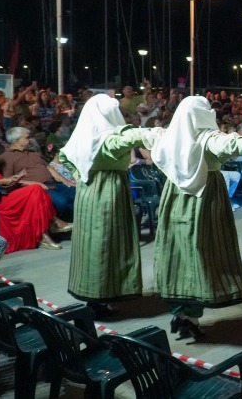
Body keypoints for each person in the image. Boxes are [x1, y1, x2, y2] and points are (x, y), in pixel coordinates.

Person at [151, 97, 242, 339]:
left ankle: (181, 313)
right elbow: (236, 144)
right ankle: (190, 317)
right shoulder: (209, 139)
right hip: (205, 197)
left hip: (174, 199)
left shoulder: (167, 138)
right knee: (202, 252)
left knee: (178, 253)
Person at [60, 94, 161, 318]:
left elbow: (64, 156)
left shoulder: (83, 135)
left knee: (90, 244)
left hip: (87, 193)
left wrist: (81, 174)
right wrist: (155, 132)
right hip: (108, 192)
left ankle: (91, 293)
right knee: (106, 244)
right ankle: (101, 297)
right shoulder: (109, 138)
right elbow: (131, 138)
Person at [0, 127, 77, 222]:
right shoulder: (6, 158)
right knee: (61, 202)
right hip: (37, 189)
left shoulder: (33, 153)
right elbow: (9, 181)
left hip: (53, 184)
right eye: (27, 137)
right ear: (17, 140)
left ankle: (71, 221)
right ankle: (57, 223)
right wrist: (33, 184)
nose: (31, 139)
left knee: (76, 193)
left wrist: (65, 181)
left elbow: (49, 168)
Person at [0, 169, 63, 252]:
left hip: (4, 194)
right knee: (35, 190)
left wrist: (11, 180)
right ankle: (53, 223)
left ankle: (45, 233)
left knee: (36, 188)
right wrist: (0, 182)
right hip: (0, 201)